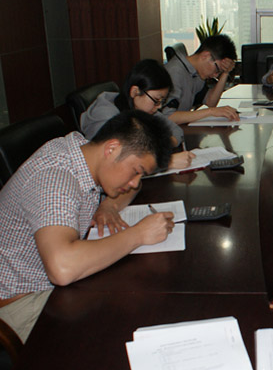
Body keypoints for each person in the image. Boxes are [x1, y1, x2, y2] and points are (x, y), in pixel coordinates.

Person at [0, 110, 176, 342]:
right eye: (136, 172)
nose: (135, 183)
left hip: (52, 285)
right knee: (129, 323)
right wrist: (139, 234)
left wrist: (110, 205)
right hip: (22, 301)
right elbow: (62, 268)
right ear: (112, 149)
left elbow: (135, 188)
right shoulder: (55, 178)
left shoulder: (86, 154)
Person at [80, 59, 195, 170]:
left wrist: (164, 145)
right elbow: (115, 163)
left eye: (162, 101)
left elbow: (176, 130)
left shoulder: (143, 109)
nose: (159, 106)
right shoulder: (106, 115)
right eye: (156, 100)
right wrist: (167, 162)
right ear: (135, 92)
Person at [163, 34, 240, 124]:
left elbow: (211, 102)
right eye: (217, 69)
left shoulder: (195, 72)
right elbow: (167, 117)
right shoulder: (175, 72)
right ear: (205, 56)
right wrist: (210, 112)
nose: (215, 75)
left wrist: (225, 73)